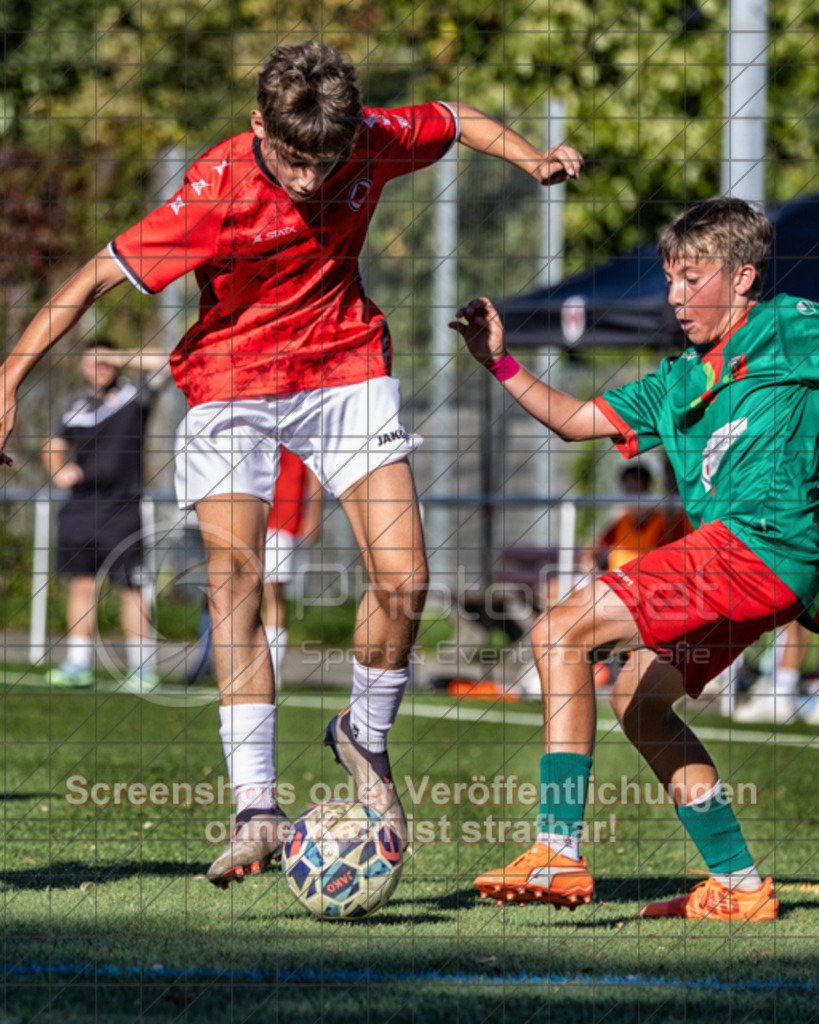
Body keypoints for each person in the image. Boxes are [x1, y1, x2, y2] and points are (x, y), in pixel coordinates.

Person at [0, 41, 584, 888]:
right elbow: (94, 276)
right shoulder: (215, 191)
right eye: (293, 160)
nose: (312, 180)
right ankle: (255, 808)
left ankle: (364, 736)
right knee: (235, 578)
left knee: (405, 579)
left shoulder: (367, 135)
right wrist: (11, 374)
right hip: (231, 382)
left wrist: (532, 158)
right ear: (257, 128)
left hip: (345, 369)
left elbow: (456, 121)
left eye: (328, 161)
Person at [452, 196, 819, 921]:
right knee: (637, 701)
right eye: (670, 280)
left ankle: (556, 850)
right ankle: (740, 887)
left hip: (760, 543)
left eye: (693, 279)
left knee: (558, 631)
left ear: (743, 278)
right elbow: (574, 421)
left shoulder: (791, 326)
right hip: (749, 564)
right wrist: (499, 364)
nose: (675, 297)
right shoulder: (677, 377)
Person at [42, 341, 169, 690]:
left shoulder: (135, 393)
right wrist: (59, 469)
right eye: (91, 361)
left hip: (123, 508)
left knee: (132, 587)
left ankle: (142, 670)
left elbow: (164, 362)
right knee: (82, 585)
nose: (98, 367)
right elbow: (53, 444)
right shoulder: (73, 405)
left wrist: (115, 355)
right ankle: (77, 666)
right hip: (80, 509)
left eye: (104, 361)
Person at [263, 446, 321, 682]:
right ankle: (240, 669)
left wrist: (314, 516)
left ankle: (270, 671)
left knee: (274, 597)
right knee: (240, 593)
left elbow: (314, 471)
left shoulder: (299, 413)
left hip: (281, 518)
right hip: (246, 512)